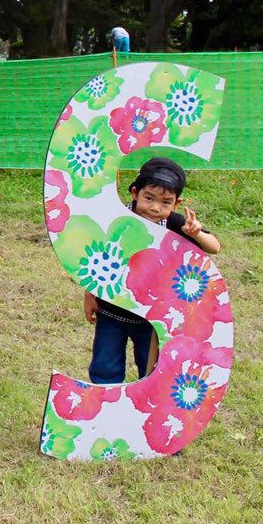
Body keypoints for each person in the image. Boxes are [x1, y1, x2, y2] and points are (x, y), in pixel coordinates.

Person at [83, 157, 221, 385]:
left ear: (176, 204)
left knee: (150, 369)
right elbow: (96, 258)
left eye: (166, 202)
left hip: (151, 315)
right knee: (104, 367)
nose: (155, 208)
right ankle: (106, 402)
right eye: (149, 198)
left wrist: (196, 233)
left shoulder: (176, 224)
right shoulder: (117, 219)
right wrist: (90, 294)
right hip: (111, 309)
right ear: (135, 193)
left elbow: (214, 247)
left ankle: (143, 403)